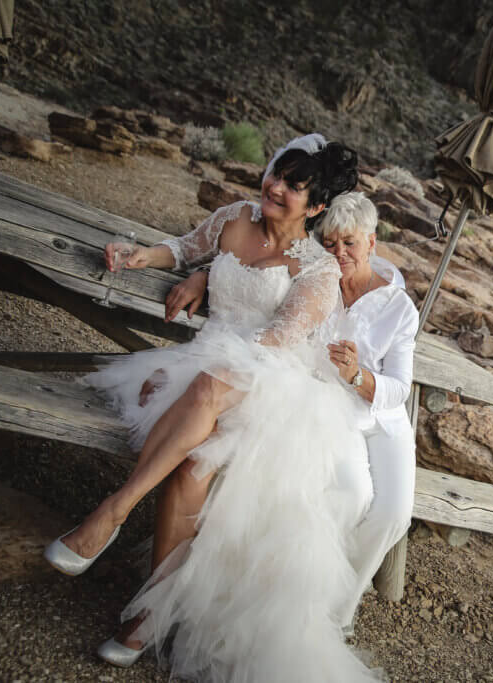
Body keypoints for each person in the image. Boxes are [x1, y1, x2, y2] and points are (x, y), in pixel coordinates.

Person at [44, 136, 382, 681]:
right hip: (210, 365)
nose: (276, 187)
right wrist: (141, 257)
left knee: (207, 386)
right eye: (277, 174)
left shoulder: (318, 270)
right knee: (192, 464)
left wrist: (208, 354)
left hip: (273, 385)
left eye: (295, 187)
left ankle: (114, 509)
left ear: (317, 207)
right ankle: (147, 618)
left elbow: (275, 340)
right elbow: (181, 248)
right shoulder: (235, 218)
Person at [160, 186, 419, 633]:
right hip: (335, 412)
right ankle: (308, 604)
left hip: (384, 416)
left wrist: (361, 376)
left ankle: (337, 610)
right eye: (332, 242)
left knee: (394, 514)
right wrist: (204, 278)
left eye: (350, 243)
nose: (339, 253)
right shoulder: (316, 274)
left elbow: (400, 389)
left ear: (372, 243)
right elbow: (253, 274)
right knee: (354, 497)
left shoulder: (398, 307)